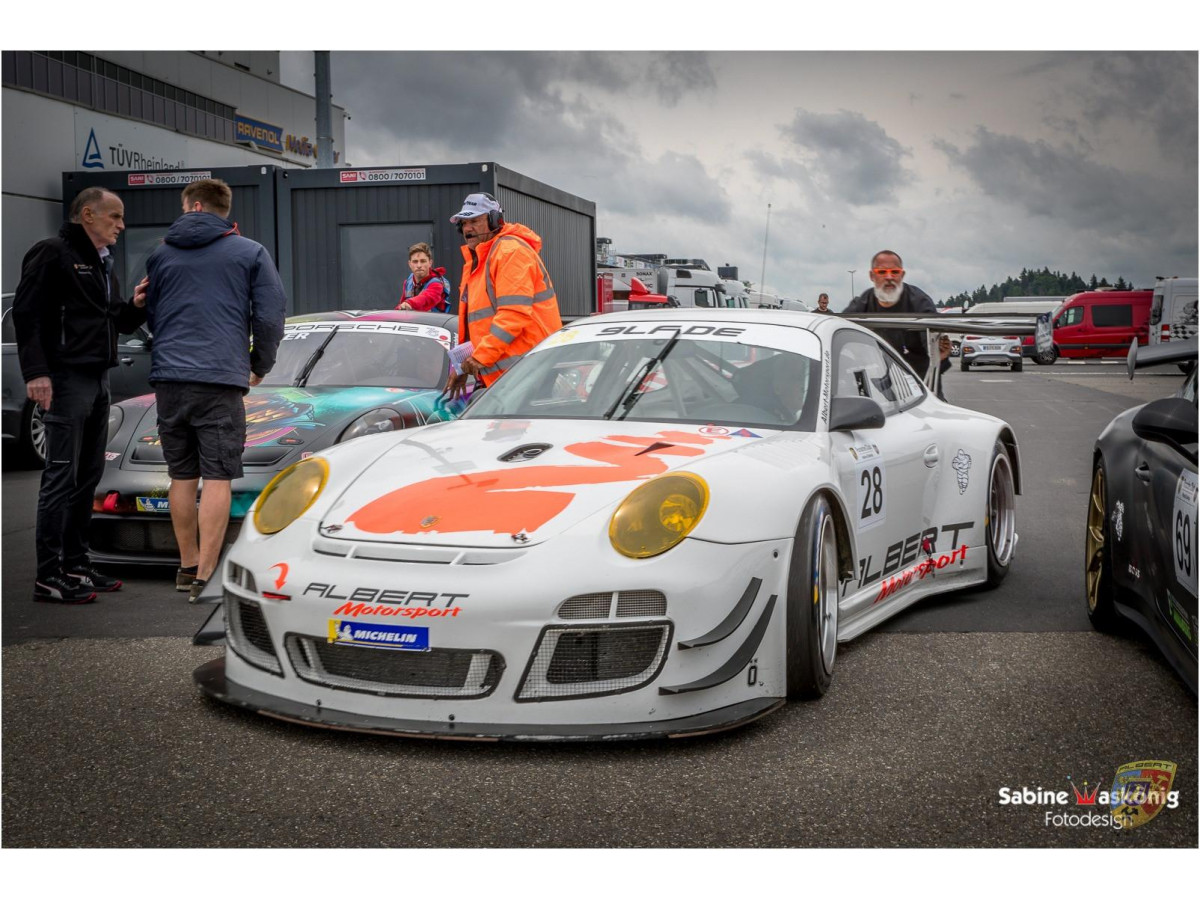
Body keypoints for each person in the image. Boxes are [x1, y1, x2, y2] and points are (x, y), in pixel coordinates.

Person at [143, 178, 286, 601]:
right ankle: (206, 574)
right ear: (224, 209)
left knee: (181, 475)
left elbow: (154, 314)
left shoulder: (160, 254)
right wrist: (258, 364)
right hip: (219, 379)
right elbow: (270, 316)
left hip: (169, 379)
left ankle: (187, 565)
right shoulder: (250, 252)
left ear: (194, 205)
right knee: (218, 475)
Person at [13, 187, 149, 603]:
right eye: (114, 216)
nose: (121, 225)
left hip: (98, 379)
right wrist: (37, 373)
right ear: (87, 215)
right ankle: (48, 575)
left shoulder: (102, 262)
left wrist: (136, 305)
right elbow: (27, 314)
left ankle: (76, 563)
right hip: (65, 379)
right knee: (60, 477)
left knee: (88, 476)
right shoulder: (52, 252)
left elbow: (115, 319)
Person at [444, 192, 562, 399]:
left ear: (494, 221)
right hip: (514, 373)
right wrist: (463, 366)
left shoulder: (510, 252)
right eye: (463, 223)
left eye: (475, 221)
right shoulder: (480, 259)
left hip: (528, 370)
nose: (467, 229)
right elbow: (478, 325)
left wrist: (479, 358)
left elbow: (513, 315)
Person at [843, 250, 952, 392]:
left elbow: (933, 350)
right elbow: (841, 335)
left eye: (894, 272)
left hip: (920, 385)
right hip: (877, 387)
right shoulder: (861, 306)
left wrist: (939, 356)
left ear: (902, 275)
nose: (889, 277)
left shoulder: (920, 304)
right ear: (872, 276)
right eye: (882, 272)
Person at [396, 242, 451, 312]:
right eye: (415, 262)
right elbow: (401, 306)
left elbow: (425, 298)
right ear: (409, 264)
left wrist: (409, 303)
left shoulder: (437, 285)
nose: (419, 265)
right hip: (414, 318)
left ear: (430, 263)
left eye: (423, 261)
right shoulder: (408, 283)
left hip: (433, 319)